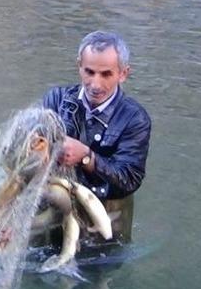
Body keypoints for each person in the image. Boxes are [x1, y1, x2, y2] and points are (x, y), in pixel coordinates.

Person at [42, 31, 152, 242]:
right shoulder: (55, 100)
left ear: (123, 73)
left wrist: (87, 157)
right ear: (79, 66)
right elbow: (28, 164)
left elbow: (129, 179)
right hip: (51, 213)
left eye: (106, 74)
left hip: (106, 223)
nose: (95, 84)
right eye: (89, 72)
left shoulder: (135, 119)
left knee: (99, 274)